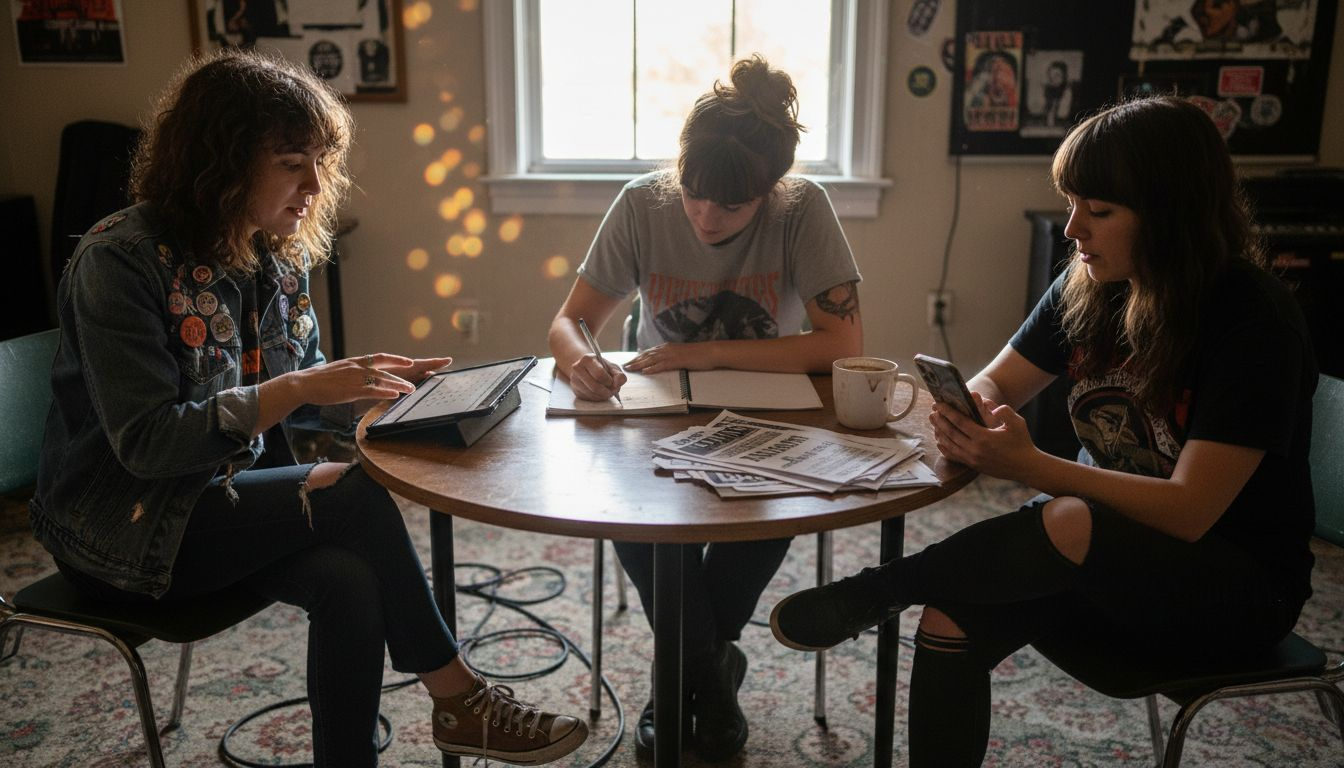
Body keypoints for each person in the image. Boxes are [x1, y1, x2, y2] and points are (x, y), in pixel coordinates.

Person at [29, 49, 587, 768]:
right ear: (220, 160)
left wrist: (360, 388)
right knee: (353, 497)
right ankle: (459, 699)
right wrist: (297, 391)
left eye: (320, 160)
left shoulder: (270, 253)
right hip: (122, 532)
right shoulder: (118, 263)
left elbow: (291, 390)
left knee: (349, 580)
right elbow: (148, 446)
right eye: (293, 162)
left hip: (226, 504)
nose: (316, 185)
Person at [768, 95, 1316, 767]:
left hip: (1237, 590)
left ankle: (880, 590)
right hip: (1091, 546)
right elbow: (996, 382)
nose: (1072, 229)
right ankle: (889, 596)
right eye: (1072, 203)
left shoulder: (1253, 322)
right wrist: (975, 412)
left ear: (1172, 215)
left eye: (1100, 211)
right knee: (953, 618)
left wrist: (1033, 465)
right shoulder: (1090, 286)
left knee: (1064, 517)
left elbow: (1191, 510)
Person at [547, 54, 862, 761]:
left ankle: (675, 676)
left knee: (778, 506)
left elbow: (841, 343)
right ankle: (710, 674)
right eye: (693, 194)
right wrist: (580, 360)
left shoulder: (802, 207)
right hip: (657, 410)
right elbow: (568, 322)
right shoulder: (641, 202)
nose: (705, 216)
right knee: (631, 514)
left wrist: (705, 353)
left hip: (765, 409)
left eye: (732, 204)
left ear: (770, 190)